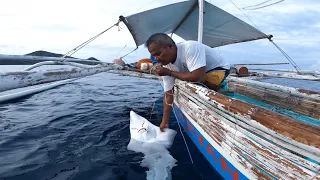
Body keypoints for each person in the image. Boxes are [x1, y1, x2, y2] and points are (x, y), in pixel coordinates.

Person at [114, 33, 230, 132]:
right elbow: (168, 94)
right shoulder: (166, 65)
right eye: (154, 56)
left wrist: (170, 73)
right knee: (188, 83)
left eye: (158, 53)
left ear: (170, 46)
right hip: (193, 72)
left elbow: (198, 77)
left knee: (204, 85)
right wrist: (165, 122)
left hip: (217, 69)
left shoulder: (190, 47)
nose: (157, 58)